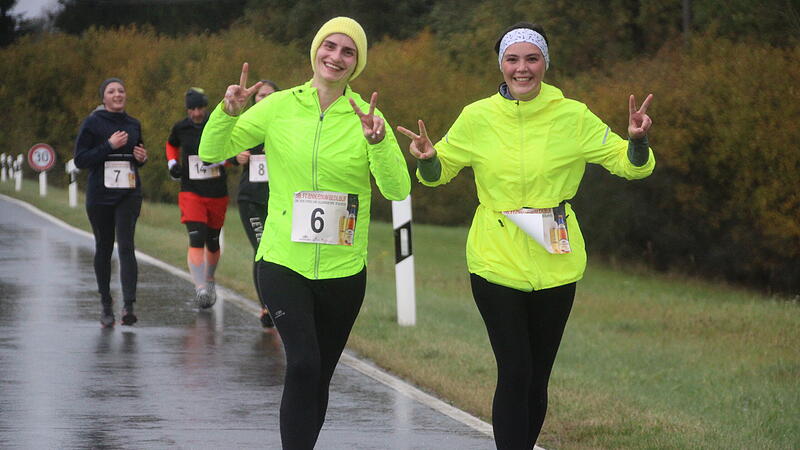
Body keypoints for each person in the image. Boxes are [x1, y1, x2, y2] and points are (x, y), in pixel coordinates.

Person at [398, 22, 656, 449]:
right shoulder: (477, 116)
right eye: (512, 59)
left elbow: (630, 166)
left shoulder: (573, 115)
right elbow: (438, 172)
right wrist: (427, 159)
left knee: (537, 376)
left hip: (555, 259)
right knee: (515, 369)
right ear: (501, 65)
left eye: (531, 59)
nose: (522, 69)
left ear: (545, 64)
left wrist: (638, 141)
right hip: (494, 258)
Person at [198, 17, 410, 449]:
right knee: (303, 364)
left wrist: (379, 142)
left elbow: (397, 188)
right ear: (315, 51)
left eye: (347, 51)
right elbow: (211, 151)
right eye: (329, 46)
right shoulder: (279, 106)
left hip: (343, 270)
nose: (335, 56)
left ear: (357, 64)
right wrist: (227, 113)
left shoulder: (368, 117)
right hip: (282, 260)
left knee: (320, 374)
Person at [74, 77, 148, 328]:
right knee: (104, 248)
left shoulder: (133, 123)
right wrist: (108, 145)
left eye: (121, 91)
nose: (118, 94)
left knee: (126, 246)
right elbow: (81, 160)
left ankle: (129, 306)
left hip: (128, 193)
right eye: (111, 91)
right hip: (100, 195)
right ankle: (106, 304)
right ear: (103, 98)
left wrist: (141, 157)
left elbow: (137, 154)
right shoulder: (93, 123)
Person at [166, 87, 231, 309]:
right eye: (191, 109)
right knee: (197, 236)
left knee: (212, 240)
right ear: (187, 110)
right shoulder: (181, 127)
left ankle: (210, 279)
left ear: (205, 107)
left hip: (216, 192)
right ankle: (200, 288)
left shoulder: (216, 124)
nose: (196, 113)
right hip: (191, 191)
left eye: (199, 108)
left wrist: (219, 161)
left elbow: (233, 151)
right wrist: (172, 163)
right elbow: (171, 145)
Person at [225, 80, 280, 329]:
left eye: (270, 95)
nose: (265, 99)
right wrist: (236, 156)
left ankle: (280, 306)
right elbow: (221, 148)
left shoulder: (286, 125)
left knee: (279, 254)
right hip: (251, 200)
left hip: (280, 201)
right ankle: (267, 307)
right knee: (262, 250)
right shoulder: (247, 124)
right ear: (254, 100)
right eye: (260, 96)